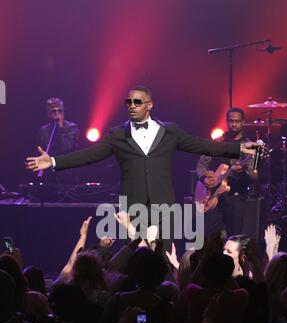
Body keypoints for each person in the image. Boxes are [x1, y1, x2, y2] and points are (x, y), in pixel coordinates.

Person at [26, 88, 259, 248]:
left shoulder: (169, 131)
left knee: (163, 255)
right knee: (135, 254)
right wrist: (54, 161)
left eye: (138, 102)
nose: (132, 106)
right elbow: (91, 154)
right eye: (129, 102)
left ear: (149, 105)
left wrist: (237, 150)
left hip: (163, 205)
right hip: (133, 206)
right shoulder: (119, 134)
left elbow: (201, 144)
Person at [196, 107, 259, 237]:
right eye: (231, 121)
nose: (234, 124)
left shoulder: (251, 147)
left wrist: (245, 170)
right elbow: (201, 165)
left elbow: (255, 176)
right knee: (207, 236)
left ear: (243, 122)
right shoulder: (217, 142)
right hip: (213, 198)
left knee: (234, 237)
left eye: (237, 121)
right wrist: (204, 178)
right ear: (226, 121)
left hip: (235, 197)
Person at [37, 97, 80, 184]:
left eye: (60, 111)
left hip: (67, 175)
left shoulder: (71, 128)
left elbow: (65, 147)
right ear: (48, 113)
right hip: (48, 175)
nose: (57, 113)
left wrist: (59, 128)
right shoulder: (43, 130)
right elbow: (40, 151)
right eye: (53, 111)